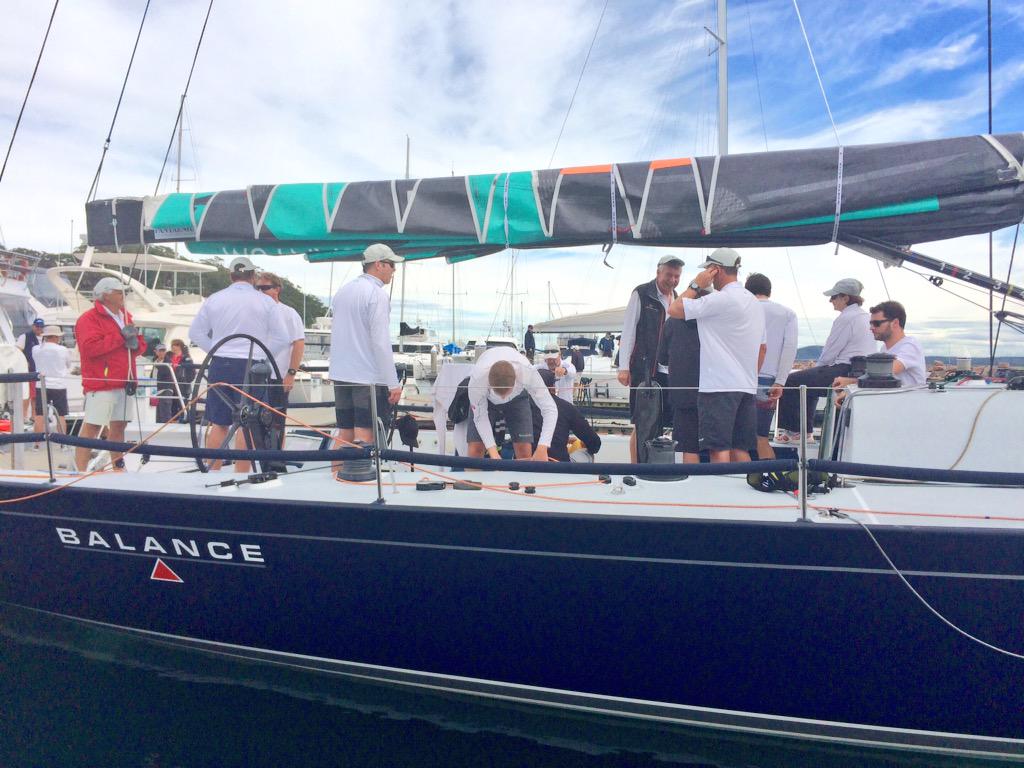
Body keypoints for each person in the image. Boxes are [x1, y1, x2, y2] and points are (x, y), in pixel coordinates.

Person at [189, 256, 290, 472]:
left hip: (220, 364)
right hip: (252, 367)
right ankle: (241, 473)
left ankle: (212, 472)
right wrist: (262, 356)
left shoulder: (215, 299)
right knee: (249, 421)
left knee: (219, 422)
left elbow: (195, 333)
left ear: (231, 275)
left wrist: (217, 350)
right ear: (253, 276)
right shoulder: (265, 302)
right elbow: (283, 338)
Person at [668, 248, 765, 463]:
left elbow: (674, 309)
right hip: (746, 385)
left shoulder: (720, 300)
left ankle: (721, 495)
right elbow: (762, 348)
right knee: (741, 448)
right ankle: (747, 491)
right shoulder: (753, 302)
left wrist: (696, 284)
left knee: (718, 448)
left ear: (716, 270)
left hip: (719, 386)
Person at [776, 278, 876, 442]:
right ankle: (803, 433)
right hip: (862, 369)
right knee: (808, 382)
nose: (831, 300)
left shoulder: (846, 318)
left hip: (845, 368)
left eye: (834, 297)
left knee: (792, 381)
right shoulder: (865, 317)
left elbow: (831, 351)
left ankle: (795, 432)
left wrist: (817, 369)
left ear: (845, 298)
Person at [328, 243, 403, 461]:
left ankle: (336, 477)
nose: (393, 270)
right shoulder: (376, 295)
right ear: (378, 265)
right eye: (391, 264)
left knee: (345, 434)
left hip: (341, 374)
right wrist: (393, 383)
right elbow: (380, 342)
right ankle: (359, 483)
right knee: (364, 434)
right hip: (366, 377)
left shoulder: (343, 291)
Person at [74, 277, 147, 471]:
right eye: (118, 291)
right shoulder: (88, 319)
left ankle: (118, 466)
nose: (123, 295)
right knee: (93, 426)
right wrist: (120, 337)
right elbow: (90, 348)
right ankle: (79, 470)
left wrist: (137, 343)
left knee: (119, 426)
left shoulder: (124, 316)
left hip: (124, 381)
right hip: (102, 382)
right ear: (105, 294)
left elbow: (136, 346)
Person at [618, 254, 684, 461]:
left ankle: (654, 463)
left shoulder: (679, 298)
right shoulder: (642, 294)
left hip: (668, 371)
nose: (672, 280)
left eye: (676, 276)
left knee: (660, 422)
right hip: (645, 369)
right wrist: (624, 367)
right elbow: (628, 330)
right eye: (669, 275)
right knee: (643, 422)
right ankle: (636, 466)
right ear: (658, 272)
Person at [467, 346, 557, 461]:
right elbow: (480, 418)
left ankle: (522, 479)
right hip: (487, 400)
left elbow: (550, 408)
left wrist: (543, 447)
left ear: (516, 379)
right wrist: (493, 452)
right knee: (475, 450)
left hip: (517, 399)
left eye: (505, 394)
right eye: (499, 394)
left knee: (524, 450)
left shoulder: (527, 372)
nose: (503, 398)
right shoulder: (477, 381)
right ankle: (473, 478)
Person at [745, 273, 798, 460]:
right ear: (769, 291)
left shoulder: (742, 310)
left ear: (747, 290)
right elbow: (790, 349)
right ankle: (770, 475)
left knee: (736, 440)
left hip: (739, 379)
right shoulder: (787, 314)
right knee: (761, 437)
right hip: (769, 380)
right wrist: (780, 381)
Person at [832, 301, 926, 401]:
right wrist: (850, 392)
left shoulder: (910, 346)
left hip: (909, 404)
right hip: (893, 402)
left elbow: (883, 373)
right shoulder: (884, 349)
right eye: (871, 323)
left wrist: (851, 382)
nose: (871, 328)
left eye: (876, 323)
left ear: (895, 323)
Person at [256, 271, 306, 440]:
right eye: (258, 288)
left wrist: (291, 374)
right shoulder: (254, 313)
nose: (261, 292)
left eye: (265, 288)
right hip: (254, 376)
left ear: (277, 289)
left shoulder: (289, 314)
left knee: (277, 422)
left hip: (278, 376)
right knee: (252, 421)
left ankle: (277, 461)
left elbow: (298, 343)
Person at [658, 310, 702, 464]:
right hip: (714, 391)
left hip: (682, 391)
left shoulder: (672, 322)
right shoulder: (715, 319)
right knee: (720, 447)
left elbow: (662, 358)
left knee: (689, 447)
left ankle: (693, 484)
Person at [531, 368, 602, 462]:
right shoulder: (566, 407)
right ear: (553, 387)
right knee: (588, 453)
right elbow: (594, 443)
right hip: (559, 465)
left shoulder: (520, 406)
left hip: (524, 463)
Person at [31, 325, 70, 436]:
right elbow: (68, 365)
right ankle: (63, 443)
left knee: (39, 414)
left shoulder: (36, 349)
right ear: (56, 337)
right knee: (61, 415)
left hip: (41, 385)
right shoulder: (63, 350)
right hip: (59, 386)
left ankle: (36, 443)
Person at [16, 318, 45, 423]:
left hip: (39, 372)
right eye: (37, 326)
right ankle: (23, 416)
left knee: (35, 395)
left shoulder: (45, 339)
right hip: (27, 371)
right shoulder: (25, 337)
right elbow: (17, 352)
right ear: (33, 326)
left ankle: (34, 416)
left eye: (41, 326)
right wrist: (24, 362)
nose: (39, 328)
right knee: (26, 394)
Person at [168, 338, 196, 419]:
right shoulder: (169, 355)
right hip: (171, 381)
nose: (173, 347)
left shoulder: (186, 357)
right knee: (172, 401)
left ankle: (184, 418)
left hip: (182, 383)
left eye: (176, 345)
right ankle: (173, 419)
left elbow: (191, 371)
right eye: (172, 345)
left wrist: (186, 380)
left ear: (180, 346)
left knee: (182, 402)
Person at [150, 343, 178, 423]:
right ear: (156, 351)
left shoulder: (168, 362)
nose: (162, 352)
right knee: (157, 412)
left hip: (166, 389)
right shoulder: (154, 361)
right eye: (160, 351)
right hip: (155, 389)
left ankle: (166, 427)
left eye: (163, 350)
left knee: (165, 412)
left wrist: (155, 364)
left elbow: (165, 372)